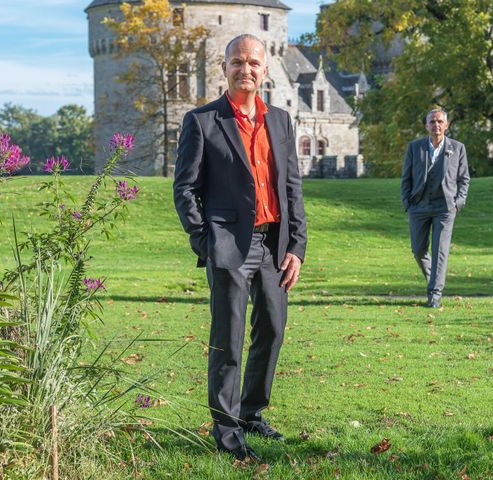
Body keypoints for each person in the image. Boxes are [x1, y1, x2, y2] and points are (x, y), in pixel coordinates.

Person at [173, 34, 307, 462]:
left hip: (274, 245)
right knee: (227, 340)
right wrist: (206, 241)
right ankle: (227, 430)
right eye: (237, 62)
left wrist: (297, 247)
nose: (245, 69)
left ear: (265, 70)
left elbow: (292, 189)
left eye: (253, 63)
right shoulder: (202, 121)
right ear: (224, 67)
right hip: (228, 245)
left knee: (272, 329)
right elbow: (185, 189)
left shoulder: (281, 121)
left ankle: (251, 413)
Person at [401, 108, 470, 308]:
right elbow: (406, 177)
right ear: (426, 125)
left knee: (440, 251)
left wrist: (458, 202)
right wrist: (407, 202)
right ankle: (434, 279)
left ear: (446, 125)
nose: (436, 125)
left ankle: (434, 295)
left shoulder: (457, 148)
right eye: (432, 122)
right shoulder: (415, 147)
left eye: (440, 121)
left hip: (445, 207)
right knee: (418, 249)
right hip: (418, 206)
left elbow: (464, 179)